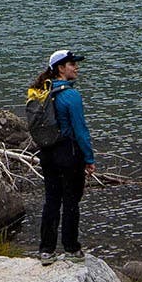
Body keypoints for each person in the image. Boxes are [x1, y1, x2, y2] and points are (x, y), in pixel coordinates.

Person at [26, 47, 95, 259]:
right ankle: (72, 248)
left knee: (52, 200)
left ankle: (46, 250)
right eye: (72, 64)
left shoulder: (40, 93)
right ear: (60, 68)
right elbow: (81, 131)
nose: (77, 67)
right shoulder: (70, 95)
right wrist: (89, 159)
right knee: (71, 201)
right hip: (69, 154)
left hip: (47, 153)